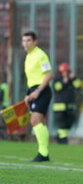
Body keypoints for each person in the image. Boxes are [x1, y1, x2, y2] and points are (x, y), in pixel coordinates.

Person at [22, 31, 53, 162]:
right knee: (39, 121)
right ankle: (44, 153)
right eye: (24, 41)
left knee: (35, 120)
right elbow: (32, 79)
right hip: (34, 90)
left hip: (43, 90)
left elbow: (49, 75)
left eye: (28, 40)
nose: (26, 43)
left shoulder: (40, 55)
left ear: (35, 42)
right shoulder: (28, 56)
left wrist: (38, 91)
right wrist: (28, 94)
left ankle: (43, 153)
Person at [53, 62, 81, 144]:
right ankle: (62, 140)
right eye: (63, 72)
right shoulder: (57, 80)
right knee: (62, 125)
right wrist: (64, 82)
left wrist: (73, 78)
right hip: (59, 107)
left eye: (66, 71)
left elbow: (78, 86)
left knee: (70, 123)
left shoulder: (72, 80)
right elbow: (57, 87)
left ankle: (59, 136)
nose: (65, 73)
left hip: (70, 107)